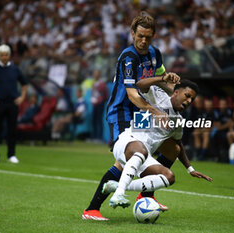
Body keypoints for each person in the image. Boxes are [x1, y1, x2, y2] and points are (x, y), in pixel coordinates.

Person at [82, 12, 182, 220]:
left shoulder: (154, 54)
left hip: (142, 111)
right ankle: (91, 209)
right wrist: (155, 112)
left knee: (171, 148)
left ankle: (145, 196)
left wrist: (174, 86)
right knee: (126, 160)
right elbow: (132, 94)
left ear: (153, 36)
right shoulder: (129, 58)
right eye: (140, 36)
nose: (143, 41)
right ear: (132, 33)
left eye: (148, 37)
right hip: (123, 114)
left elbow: (162, 80)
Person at [105, 79, 212, 209]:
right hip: (129, 141)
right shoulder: (158, 97)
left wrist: (190, 169)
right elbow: (140, 85)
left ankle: (119, 186)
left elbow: (178, 144)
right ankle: (118, 194)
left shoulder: (178, 121)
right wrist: (162, 78)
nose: (189, 101)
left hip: (144, 155)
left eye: (192, 99)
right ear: (176, 92)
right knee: (139, 152)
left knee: (169, 177)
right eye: (187, 96)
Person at [0, 44, 28, 164]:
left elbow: (24, 84)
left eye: (6, 55)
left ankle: (11, 154)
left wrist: (22, 97)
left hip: (12, 103)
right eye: (2, 55)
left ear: (9, 55)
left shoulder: (15, 69)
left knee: (12, 130)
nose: (4, 57)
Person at [91, 70, 108, 141]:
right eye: (94, 74)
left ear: (99, 75)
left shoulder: (102, 84)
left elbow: (106, 94)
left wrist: (101, 100)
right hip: (94, 104)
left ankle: (99, 137)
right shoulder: (94, 83)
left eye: (96, 74)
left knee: (99, 120)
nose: (95, 75)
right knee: (94, 120)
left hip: (100, 104)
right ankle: (94, 137)